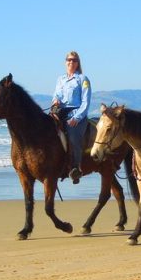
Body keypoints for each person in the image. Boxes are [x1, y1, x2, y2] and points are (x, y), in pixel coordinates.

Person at [52, 51, 91, 184]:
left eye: (74, 60)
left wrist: (77, 118)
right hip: (61, 112)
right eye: (69, 60)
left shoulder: (83, 79)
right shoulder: (60, 79)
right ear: (65, 62)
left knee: (73, 136)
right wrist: (55, 101)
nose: (71, 62)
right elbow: (56, 95)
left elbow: (86, 102)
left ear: (77, 63)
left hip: (76, 113)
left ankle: (76, 168)